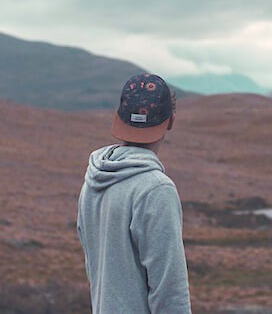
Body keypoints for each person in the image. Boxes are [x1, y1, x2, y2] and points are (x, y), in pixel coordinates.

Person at [77, 73, 191, 313]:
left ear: (118, 118)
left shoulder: (93, 180)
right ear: (170, 121)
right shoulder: (156, 189)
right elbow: (169, 290)